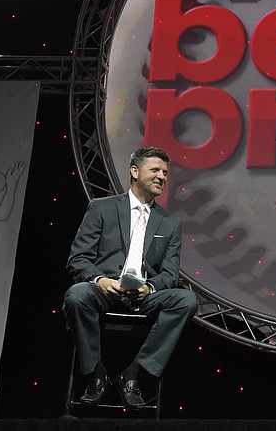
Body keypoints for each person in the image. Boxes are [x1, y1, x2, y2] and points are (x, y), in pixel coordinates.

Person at [63, 146, 197, 409]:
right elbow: (77, 259)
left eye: (165, 172)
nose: (162, 177)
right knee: (77, 295)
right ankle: (96, 373)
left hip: (143, 297)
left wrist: (149, 287)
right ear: (135, 171)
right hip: (104, 290)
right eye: (155, 170)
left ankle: (134, 371)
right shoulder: (101, 208)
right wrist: (100, 280)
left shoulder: (170, 223)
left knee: (186, 301)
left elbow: (170, 274)